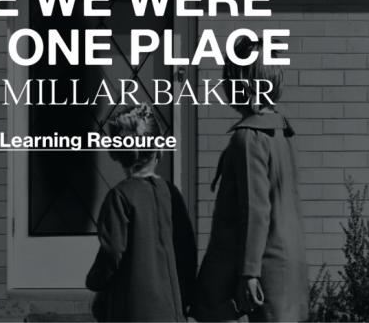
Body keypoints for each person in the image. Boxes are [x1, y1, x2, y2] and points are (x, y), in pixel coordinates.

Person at [194, 37, 308, 322]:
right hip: (290, 264)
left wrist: (249, 273)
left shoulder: (249, 138)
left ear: (238, 83)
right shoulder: (282, 132)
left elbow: (256, 210)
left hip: (263, 269)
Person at [86, 104, 197, 322]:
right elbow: (187, 251)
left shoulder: (120, 197)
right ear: (160, 150)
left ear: (115, 153)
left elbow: (112, 252)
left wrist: (95, 281)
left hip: (132, 310)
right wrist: (187, 294)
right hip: (171, 309)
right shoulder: (171, 193)